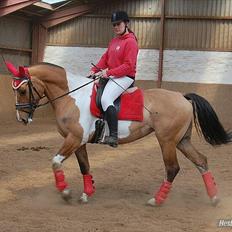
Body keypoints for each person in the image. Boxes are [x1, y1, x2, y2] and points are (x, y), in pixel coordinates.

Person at [89, 11, 139, 148]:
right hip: (113, 75)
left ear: (126, 23)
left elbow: (128, 66)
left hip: (125, 77)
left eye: (118, 24)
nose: (116, 27)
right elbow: (105, 58)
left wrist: (108, 73)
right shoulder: (114, 41)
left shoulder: (131, 42)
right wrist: (95, 70)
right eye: (114, 25)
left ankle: (113, 135)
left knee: (106, 99)